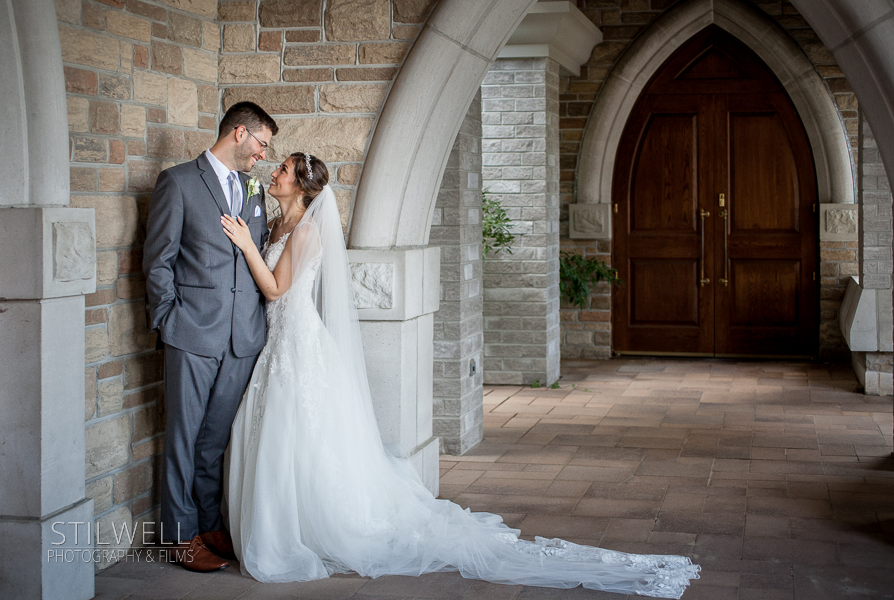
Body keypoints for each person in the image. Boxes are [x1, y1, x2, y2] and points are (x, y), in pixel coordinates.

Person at [221, 152, 701, 598]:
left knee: (297, 433)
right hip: (281, 342)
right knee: (293, 435)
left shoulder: (305, 231)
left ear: (303, 189)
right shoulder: (280, 219)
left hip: (296, 340)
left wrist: (245, 245)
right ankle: (295, 521)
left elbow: (278, 290)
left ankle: (303, 528)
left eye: (283, 169)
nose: (275, 173)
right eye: (278, 166)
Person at [142, 101, 279, 572]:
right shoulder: (178, 182)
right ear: (239, 133)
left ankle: (207, 521)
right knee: (182, 437)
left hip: (243, 336)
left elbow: (255, 251)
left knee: (214, 438)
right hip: (192, 332)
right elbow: (158, 260)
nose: (263, 155)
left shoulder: (252, 188)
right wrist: (167, 320)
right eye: (262, 144)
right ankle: (179, 537)